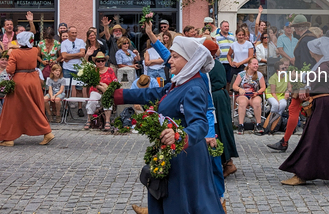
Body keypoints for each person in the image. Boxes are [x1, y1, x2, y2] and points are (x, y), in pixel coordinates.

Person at [109, 28, 225, 213]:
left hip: (186, 156)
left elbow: (200, 124)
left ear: (190, 60)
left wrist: (180, 135)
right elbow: (152, 93)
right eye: (170, 56)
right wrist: (116, 94)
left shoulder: (193, 87)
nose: (169, 60)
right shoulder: (180, 82)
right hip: (176, 153)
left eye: (174, 57)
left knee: (186, 202)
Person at [279, 37, 329, 186]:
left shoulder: (325, 64)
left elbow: (314, 77)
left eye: (312, 49)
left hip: (324, 104)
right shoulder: (325, 63)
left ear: (316, 51)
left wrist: (297, 76)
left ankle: (301, 174)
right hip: (324, 104)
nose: (310, 51)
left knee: (311, 138)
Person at [0, 32, 55, 147]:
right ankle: (46, 132)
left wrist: (11, 49)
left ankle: (9, 137)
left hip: (20, 82)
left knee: (12, 109)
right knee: (34, 106)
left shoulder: (15, 53)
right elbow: (30, 48)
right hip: (34, 80)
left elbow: (10, 70)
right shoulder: (34, 51)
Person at [267, 15, 316, 152]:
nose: (293, 30)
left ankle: (285, 141)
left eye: (294, 27)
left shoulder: (306, 40)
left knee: (296, 110)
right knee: (306, 111)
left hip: (304, 81)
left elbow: (306, 65)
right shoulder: (310, 39)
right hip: (309, 80)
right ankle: (289, 141)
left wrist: (302, 86)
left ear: (299, 28)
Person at [203, 39, 238, 178]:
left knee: (219, 129)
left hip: (216, 98)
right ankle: (227, 163)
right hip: (221, 96)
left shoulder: (208, 65)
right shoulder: (215, 62)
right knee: (224, 128)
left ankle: (227, 163)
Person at [84, 52, 116, 131]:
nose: (101, 62)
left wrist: (106, 88)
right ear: (95, 62)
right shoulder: (93, 70)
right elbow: (84, 64)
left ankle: (107, 120)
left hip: (107, 91)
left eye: (102, 60)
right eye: (98, 61)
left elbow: (115, 82)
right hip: (95, 91)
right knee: (92, 101)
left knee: (107, 99)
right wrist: (87, 55)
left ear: (105, 61)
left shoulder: (110, 70)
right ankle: (89, 119)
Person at [232, 57, 266, 134]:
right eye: (254, 64)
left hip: (254, 94)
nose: (256, 65)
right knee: (243, 102)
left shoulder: (259, 74)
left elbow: (263, 87)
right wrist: (239, 89)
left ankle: (258, 124)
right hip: (243, 95)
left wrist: (257, 92)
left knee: (257, 102)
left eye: (257, 64)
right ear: (249, 65)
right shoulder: (241, 74)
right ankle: (241, 125)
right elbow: (234, 86)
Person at [60, 26, 86, 116]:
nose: (74, 34)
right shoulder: (64, 43)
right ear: (68, 33)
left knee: (79, 89)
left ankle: (80, 108)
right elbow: (64, 56)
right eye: (72, 33)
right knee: (67, 89)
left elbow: (83, 54)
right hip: (67, 68)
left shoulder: (81, 41)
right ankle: (66, 108)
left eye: (75, 33)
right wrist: (77, 55)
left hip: (78, 69)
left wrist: (70, 55)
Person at [215, 21, 235, 86]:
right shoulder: (216, 38)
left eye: (228, 26)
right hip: (221, 62)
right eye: (225, 26)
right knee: (222, 80)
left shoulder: (232, 37)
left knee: (229, 81)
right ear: (221, 27)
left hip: (230, 62)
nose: (227, 28)